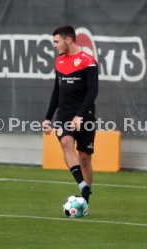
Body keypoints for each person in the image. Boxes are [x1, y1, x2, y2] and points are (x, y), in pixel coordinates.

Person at [42, 26, 98, 204]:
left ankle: (85, 201)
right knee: (66, 142)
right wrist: (47, 118)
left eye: (56, 41)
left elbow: (93, 91)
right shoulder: (59, 61)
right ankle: (81, 183)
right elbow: (56, 92)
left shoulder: (88, 61)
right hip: (64, 114)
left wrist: (80, 115)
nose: (54, 45)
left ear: (68, 40)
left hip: (85, 114)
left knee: (84, 158)